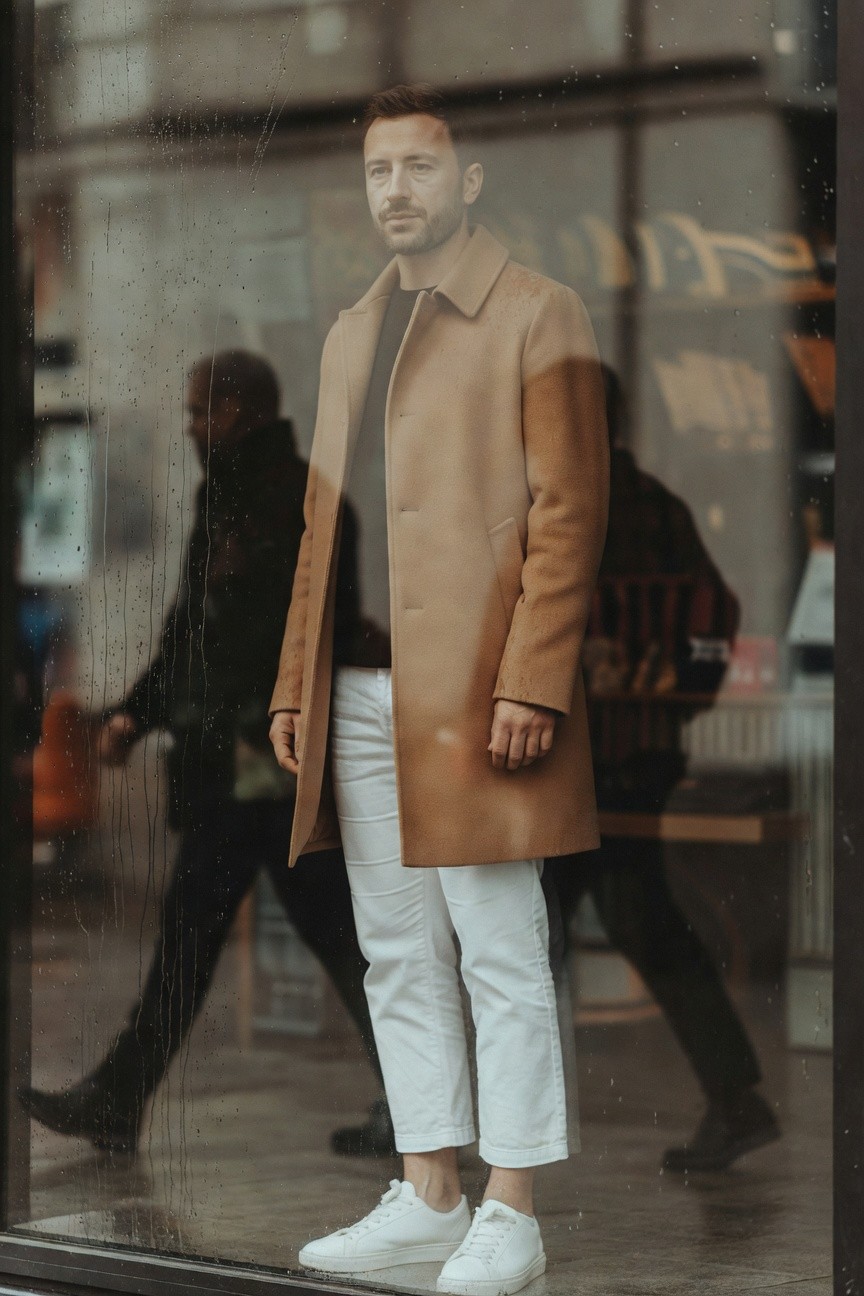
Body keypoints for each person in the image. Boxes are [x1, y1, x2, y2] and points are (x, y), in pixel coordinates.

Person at [268, 85, 608, 1296]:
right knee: (397, 952)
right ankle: (428, 1192)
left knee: (498, 948)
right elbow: (326, 525)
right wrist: (294, 677)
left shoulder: (536, 312)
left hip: (474, 694)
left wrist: (535, 680)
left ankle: (511, 1210)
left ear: (470, 182)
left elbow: (571, 514)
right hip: (356, 691)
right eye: (378, 172)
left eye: (419, 166)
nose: (395, 189)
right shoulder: (353, 330)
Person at [20, 350, 389, 1157]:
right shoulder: (229, 499)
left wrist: (152, 715)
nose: (190, 427)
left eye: (200, 412)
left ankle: (119, 1097)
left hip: (261, 765)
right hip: (239, 764)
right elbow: (191, 632)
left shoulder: (297, 503)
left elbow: (250, 646)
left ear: (243, 412)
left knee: (225, 936)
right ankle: (415, 1100)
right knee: (304, 938)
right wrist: (136, 713)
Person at [546, 365, 780, 1174]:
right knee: (627, 920)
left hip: (592, 758)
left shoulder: (584, 508)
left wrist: (662, 693)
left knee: (523, 929)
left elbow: (710, 620)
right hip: (623, 752)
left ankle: (447, 1112)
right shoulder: (647, 503)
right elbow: (716, 617)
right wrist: (676, 701)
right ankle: (736, 1097)